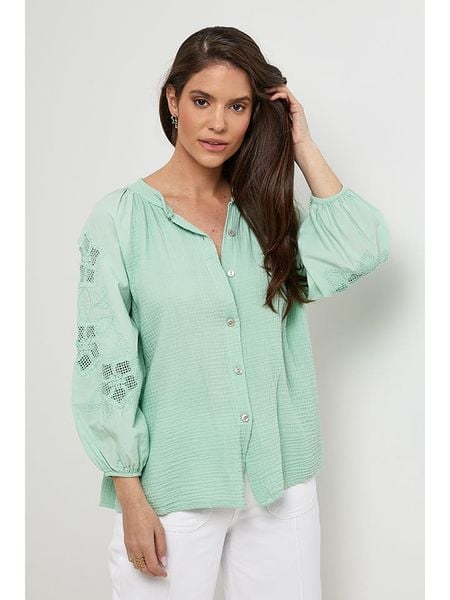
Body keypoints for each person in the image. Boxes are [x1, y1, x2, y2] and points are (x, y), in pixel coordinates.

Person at [71, 25, 390, 600]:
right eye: (202, 101)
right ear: (173, 101)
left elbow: (362, 247)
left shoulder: (267, 214)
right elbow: (105, 366)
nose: (218, 123)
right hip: (175, 487)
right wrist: (130, 494)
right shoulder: (120, 220)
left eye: (237, 106)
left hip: (280, 481)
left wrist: (301, 144)